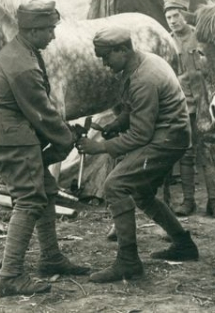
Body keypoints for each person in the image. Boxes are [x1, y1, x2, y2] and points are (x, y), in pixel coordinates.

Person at [0, 0, 89, 298]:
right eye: (49, 29)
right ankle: (10, 276)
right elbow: (42, 112)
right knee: (30, 200)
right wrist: (66, 138)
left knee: (45, 189)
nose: (52, 35)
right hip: (7, 135)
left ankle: (50, 257)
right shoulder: (23, 65)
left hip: (3, 132)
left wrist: (61, 136)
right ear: (33, 30)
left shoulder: (24, 50)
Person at [78, 25, 198, 283]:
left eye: (107, 56)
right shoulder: (138, 63)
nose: (104, 63)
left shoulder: (145, 77)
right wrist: (114, 125)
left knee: (116, 185)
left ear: (122, 50)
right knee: (141, 192)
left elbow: (140, 136)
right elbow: (135, 111)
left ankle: (128, 262)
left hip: (167, 138)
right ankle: (184, 244)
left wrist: (99, 147)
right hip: (165, 133)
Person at [163, 0, 215, 218]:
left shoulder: (201, 37)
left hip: (204, 103)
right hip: (181, 105)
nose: (173, 20)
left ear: (184, 16)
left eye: (176, 15)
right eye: (169, 17)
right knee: (186, 154)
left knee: (208, 153)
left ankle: (214, 202)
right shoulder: (165, 40)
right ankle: (189, 201)